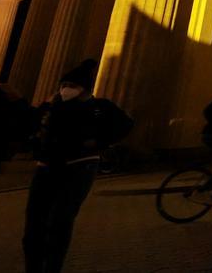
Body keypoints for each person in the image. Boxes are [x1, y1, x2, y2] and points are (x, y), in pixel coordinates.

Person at [23, 59, 133, 273]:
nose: (66, 90)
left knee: (59, 221)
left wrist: (99, 142)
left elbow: (125, 124)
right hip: (46, 166)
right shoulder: (52, 107)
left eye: (72, 86)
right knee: (34, 225)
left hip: (80, 166)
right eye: (64, 85)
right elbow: (30, 125)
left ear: (85, 90)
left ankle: (51, 268)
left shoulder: (99, 107)